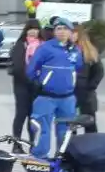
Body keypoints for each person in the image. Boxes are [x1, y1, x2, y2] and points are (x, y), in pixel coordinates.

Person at [27, 17, 83, 158]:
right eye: (59, 29)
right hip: (46, 97)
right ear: (54, 31)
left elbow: (78, 68)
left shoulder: (75, 50)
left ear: (71, 32)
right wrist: (37, 83)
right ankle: (39, 157)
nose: (62, 32)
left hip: (67, 98)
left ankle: (63, 158)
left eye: (66, 29)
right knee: (41, 128)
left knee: (65, 131)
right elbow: (31, 70)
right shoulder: (45, 48)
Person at [9, 19, 42, 145]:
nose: (33, 31)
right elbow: (17, 66)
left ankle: (32, 143)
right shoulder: (20, 45)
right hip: (21, 84)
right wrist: (29, 78)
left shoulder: (43, 45)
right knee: (21, 114)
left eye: (36, 28)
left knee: (33, 116)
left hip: (37, 86)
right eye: (30, 28)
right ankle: (16, 143)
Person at [74, 26, 103, 134]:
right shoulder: (66, 50)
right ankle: (70, 149)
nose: (71, 35)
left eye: (74, 33)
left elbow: (99, 72)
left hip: (86, 95)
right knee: (69, 126)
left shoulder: (89, 51)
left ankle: (92, 148)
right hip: (70, 94)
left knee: (90, 124)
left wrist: (90, 87)